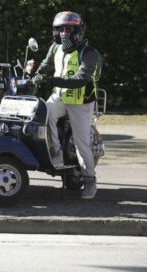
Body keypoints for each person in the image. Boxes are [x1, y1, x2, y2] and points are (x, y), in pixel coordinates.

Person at [34, 11, 101, 200]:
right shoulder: (55, 47)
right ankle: (55, 152)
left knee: (82, 144)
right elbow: (45, 66)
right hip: (60, 97)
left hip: (81, 102)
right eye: (60, 29)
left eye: (68, 29)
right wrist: (36, 76)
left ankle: (90, 181)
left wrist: (53, 80)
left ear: (78, 30)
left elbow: (81, 79)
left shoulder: (88, 53)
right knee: (42, 113)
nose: (64, 33)